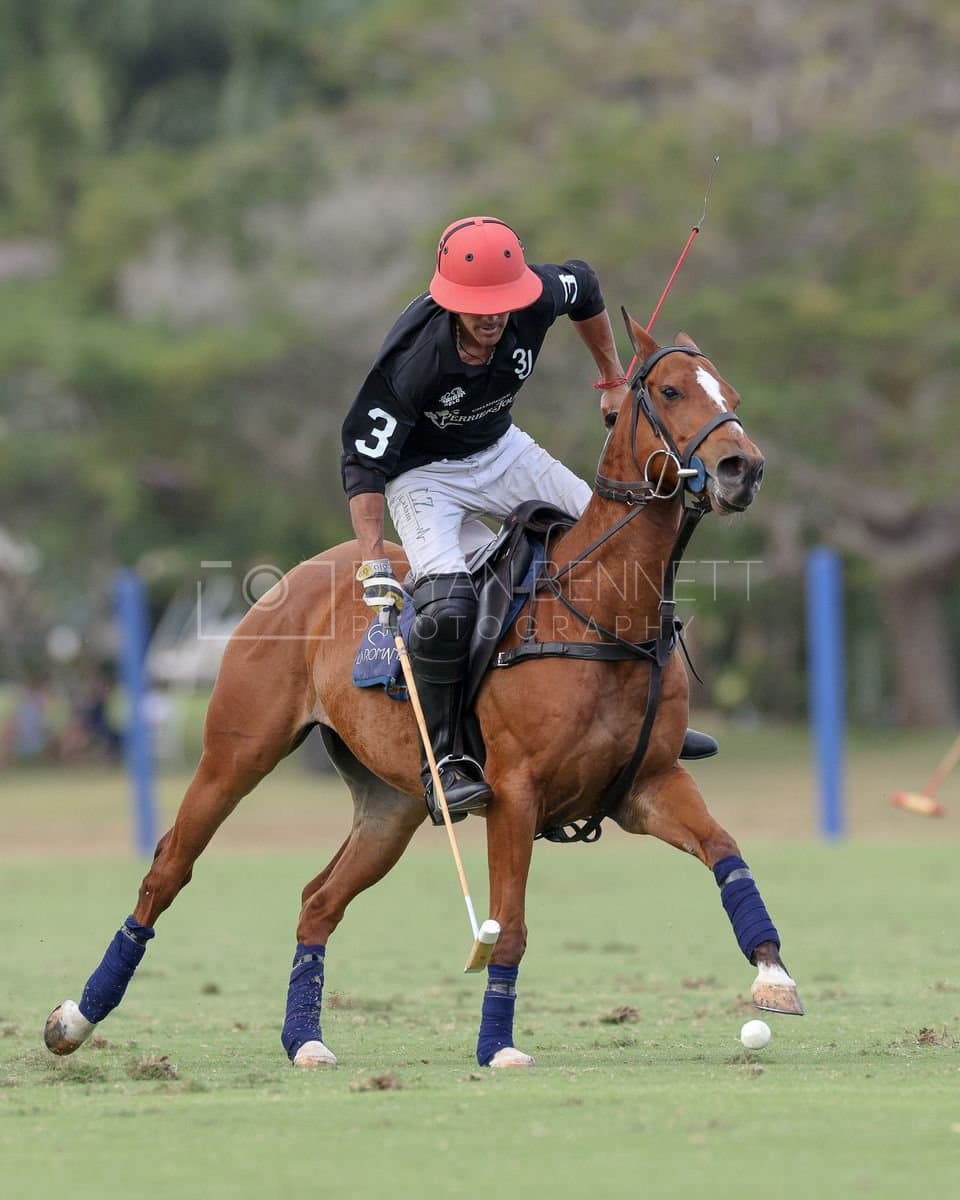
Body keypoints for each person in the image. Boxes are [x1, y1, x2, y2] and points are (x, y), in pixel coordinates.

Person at [341, 216, 715, 825]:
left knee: (624, 536)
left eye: (501, 305)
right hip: (423, 477)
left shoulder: (541, 294)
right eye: (477, 308)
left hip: (501, 450)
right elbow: (362, 456)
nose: (492, 318)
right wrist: (372, 557)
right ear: (450, 300)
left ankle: (656, 720)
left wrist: (614, 378)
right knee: (449, 607)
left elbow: (588, 287)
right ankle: (447, 760)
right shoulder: (411, 363)